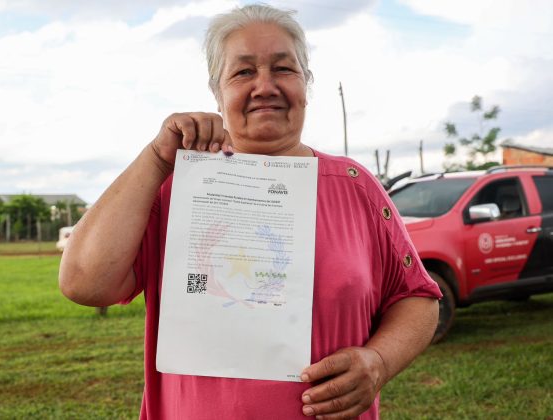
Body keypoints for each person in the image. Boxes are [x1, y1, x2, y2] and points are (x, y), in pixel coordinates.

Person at [59, 4, 441, 419]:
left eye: (283, 69)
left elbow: (417, 298)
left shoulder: (354, 187)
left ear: (305, 84)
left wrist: (379, 362)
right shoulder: (177, 186)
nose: (265, 86)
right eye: (243, 72)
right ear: (217, 92)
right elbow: (84, 282)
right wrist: (154, 158)